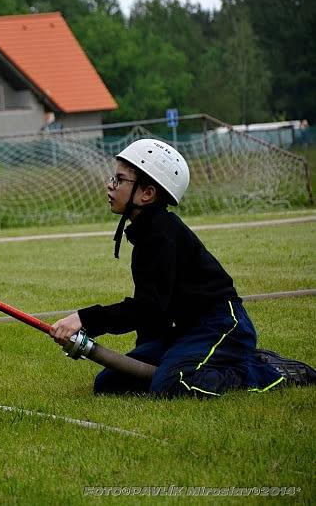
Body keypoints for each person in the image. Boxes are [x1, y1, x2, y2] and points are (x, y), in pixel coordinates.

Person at [50, 138, 315, 397]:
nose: (110, 185)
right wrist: (149, 350)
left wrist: (85, 319)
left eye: (119, 180)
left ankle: (264, 369)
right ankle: (197, 362)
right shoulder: (145, 233)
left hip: (220, 325)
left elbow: (146, 308)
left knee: (170, 385)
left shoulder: (163, 234)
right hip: (184, 331)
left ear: (147, 193)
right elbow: (155, 310)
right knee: (111, 383)